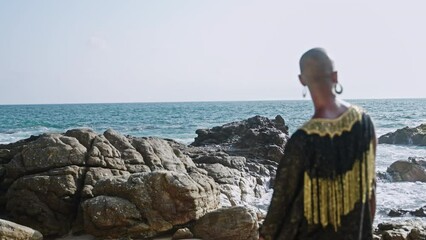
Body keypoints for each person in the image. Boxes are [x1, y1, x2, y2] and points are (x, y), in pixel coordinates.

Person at [259, 48, 376, 240]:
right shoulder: (364, 123)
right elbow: (370, 190)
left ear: (302, 80)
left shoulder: (302, 140)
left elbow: (280, 206)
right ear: (335, 76)